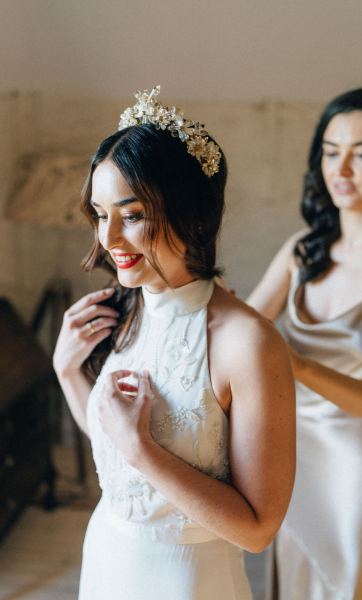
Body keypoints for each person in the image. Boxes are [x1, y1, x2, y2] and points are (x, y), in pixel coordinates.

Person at [53, 85, 295, 600]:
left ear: (191, 213)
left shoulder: (247, 343)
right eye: (100, 214)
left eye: (133, 215)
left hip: (187, 579)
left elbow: (257, 530)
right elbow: (114, 456)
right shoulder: (123, 308)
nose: (109, 239)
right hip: (107, 559)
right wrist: (66, 371)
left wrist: (141, 448)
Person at [248, 87, 362, 599]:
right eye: (331, 152)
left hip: (360, 480)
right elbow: (235, 334)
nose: (343, 168)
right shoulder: (301, 251)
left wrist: (302, 369)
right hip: (285, 469)